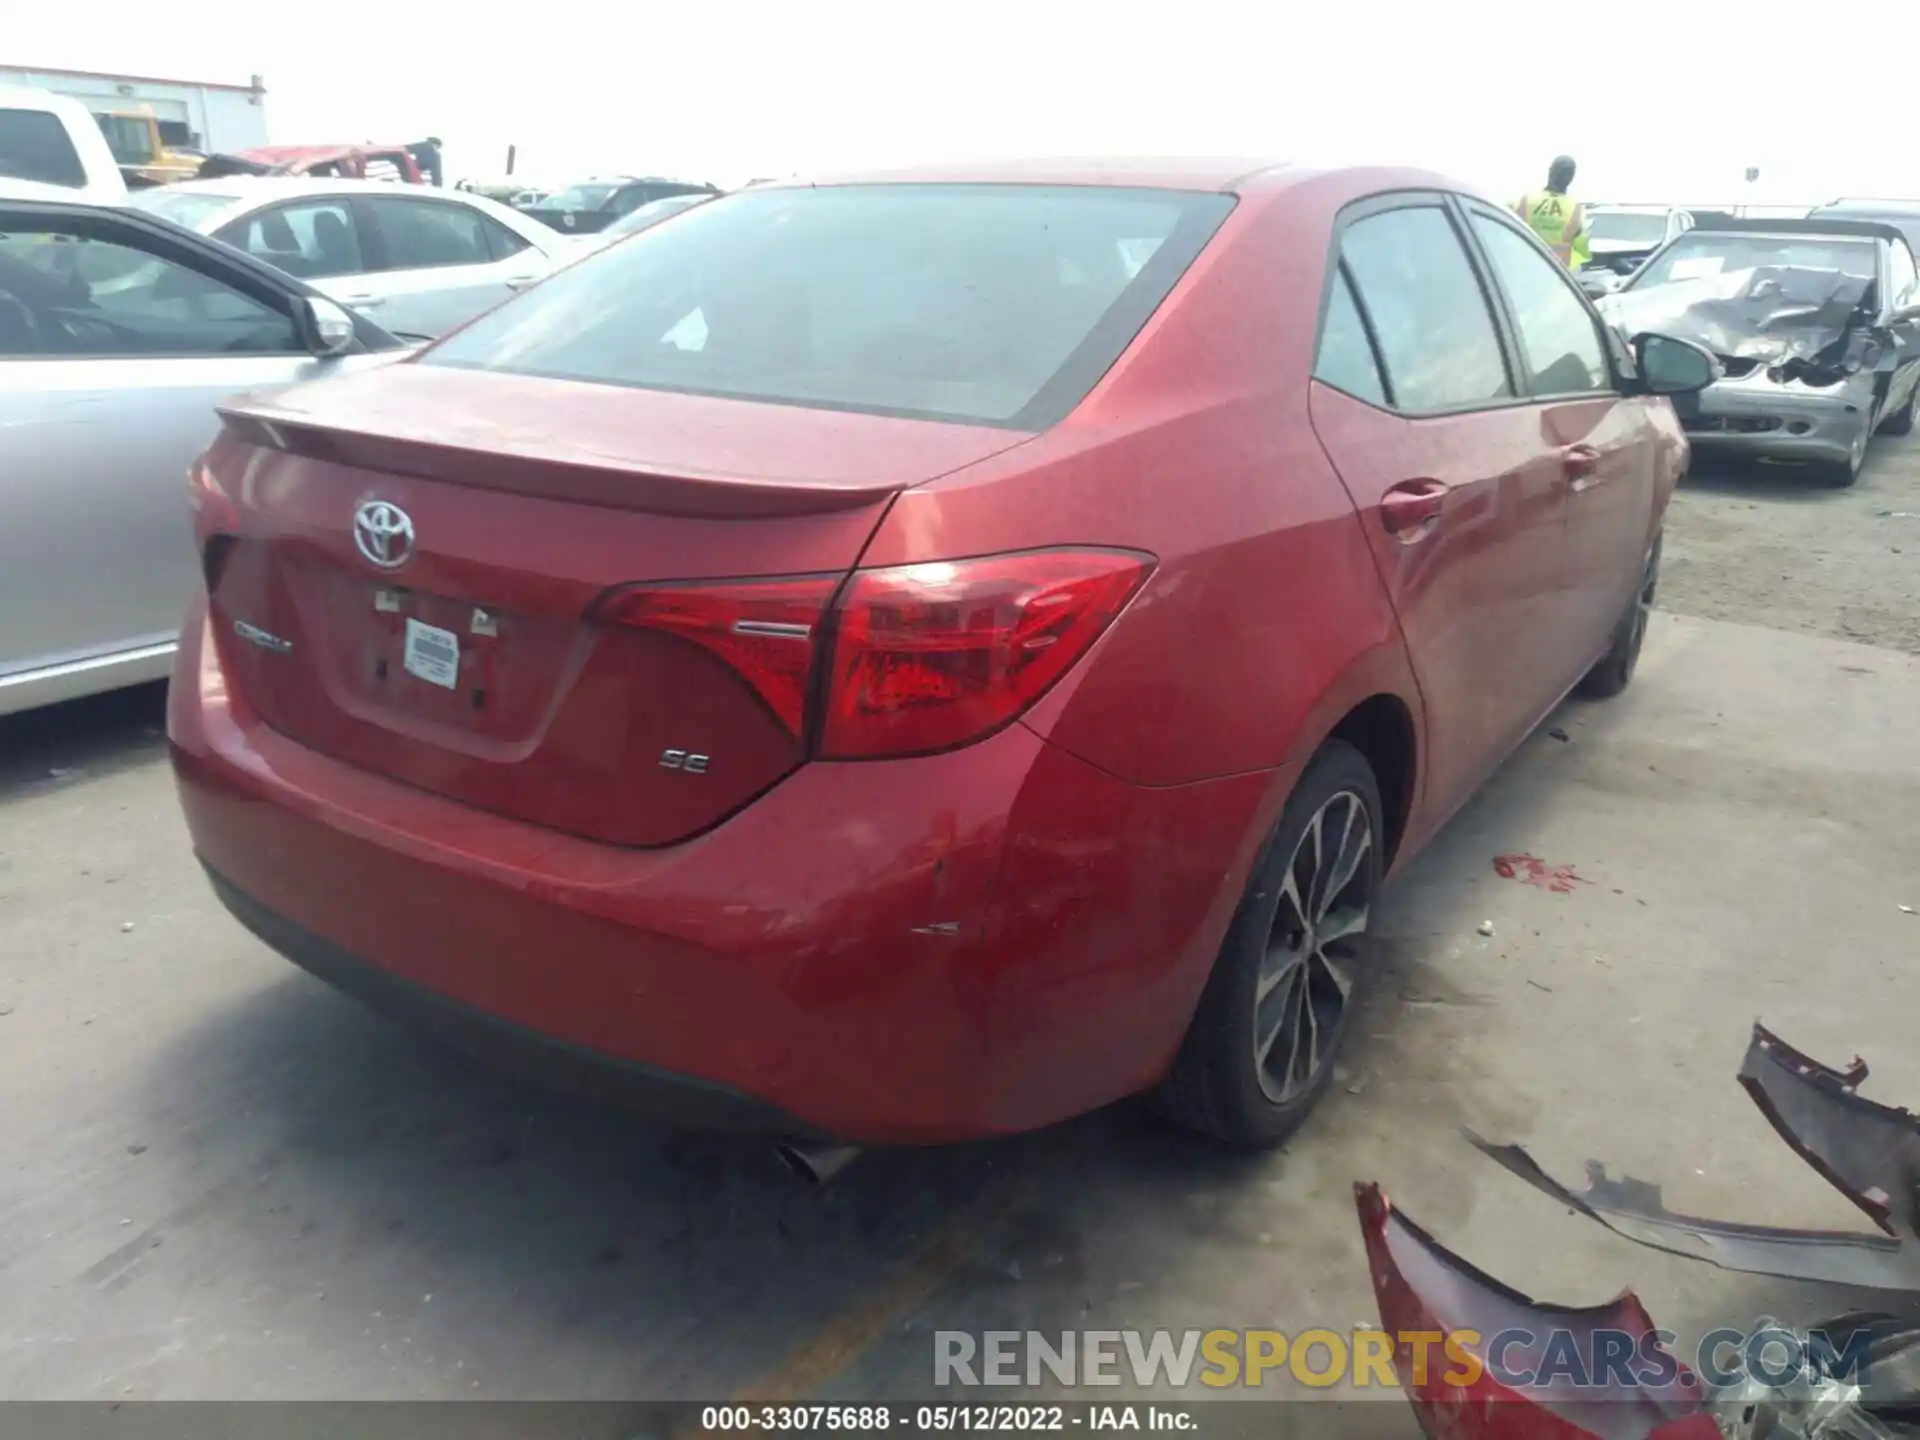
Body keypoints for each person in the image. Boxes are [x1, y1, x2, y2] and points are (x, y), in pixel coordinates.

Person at [1515, 155, 1585, 267]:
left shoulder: (1528, 199)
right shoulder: (1574, 207)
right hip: (1554, 273)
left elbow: (1513, 231)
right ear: (1571, 178)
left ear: (1550, 171)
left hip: (1525, 266)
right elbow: (1578, 242)